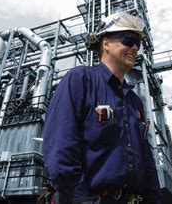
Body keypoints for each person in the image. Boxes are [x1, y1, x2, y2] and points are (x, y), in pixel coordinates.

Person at [43, 12, 162, 203]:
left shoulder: (134, 101)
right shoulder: (81, 80)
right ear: (105, 43)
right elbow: (60, 149)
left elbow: (146, 161)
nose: (135, 48)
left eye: (138, 44)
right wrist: (83, 198)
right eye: (128, 40)